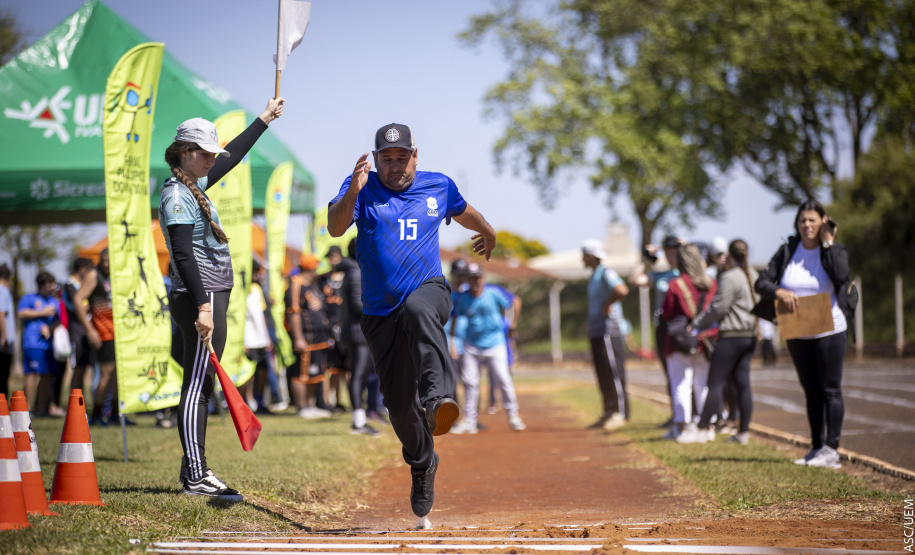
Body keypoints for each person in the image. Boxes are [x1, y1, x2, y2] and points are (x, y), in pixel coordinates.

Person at [326, 122, 497, 521]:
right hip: (379, 311)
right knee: (399, 408)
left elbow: (465, 211)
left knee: (420, 310)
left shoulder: (438, 186)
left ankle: (438, 398)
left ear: (415, 156)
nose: (395, 166)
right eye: (387, 159)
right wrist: (353, 188)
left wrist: (488, 231)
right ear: (376, 160)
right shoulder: (361, 188)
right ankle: (422, 462)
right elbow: (335, 228)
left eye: (402, 158)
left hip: (429, 289)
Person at [160, 97, 284, 501]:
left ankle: (192, 469)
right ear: (183, 153)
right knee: (197, 384)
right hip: (202, 296)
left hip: (210, 295)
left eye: (213, 152)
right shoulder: (179, 195)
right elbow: (182, 255)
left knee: (203, 380)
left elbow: (233, 159)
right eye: (204, 153)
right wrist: (202, 306)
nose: (212, 159)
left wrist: (263, 120)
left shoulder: (193, 184)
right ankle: (196, 476)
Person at [754, 199, 854, 469]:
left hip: (830, 326)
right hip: (798, 329)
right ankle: (816, 447)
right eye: (802, 220)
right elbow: (761, 281)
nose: (807, 225)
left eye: (812, 220)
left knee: (830, 389)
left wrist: (829, 242)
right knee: (811, 390)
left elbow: (842, 275)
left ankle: (832, 449)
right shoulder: (788, 250)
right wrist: (779, 291)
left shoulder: (833, 250)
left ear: (823, 221)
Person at [677, 239, 759, 445]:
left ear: (729, 256)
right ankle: (743, 433)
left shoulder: (729, 277)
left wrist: (696, 323)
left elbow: (718, 308)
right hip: (749, 335)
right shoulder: (753, 275)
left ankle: (702, 428)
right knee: (743, 385)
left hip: (731, 336)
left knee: (715, 383)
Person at [449, 263, 525, 434]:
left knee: (504, 379)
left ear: (482, 278)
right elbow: (455, 318)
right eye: (471, 278)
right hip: (472, 344)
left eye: (477, 278)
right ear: (468, 280)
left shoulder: (493, 292)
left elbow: (515, 301)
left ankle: (513, 416)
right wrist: (453, 342)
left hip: (495, 343)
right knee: (470, 383)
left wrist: (513, 324)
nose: (475, 281)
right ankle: (470, 421)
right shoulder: (462, 298)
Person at [658, 243, 717, 440]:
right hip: (706, 339)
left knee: (681, 383)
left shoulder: (676, 284)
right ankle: (706, 426)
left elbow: (666, 312)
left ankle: (681, 426)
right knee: (704, 384)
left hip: (680, 341)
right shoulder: (711, 283)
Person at [629, 235, 682, 422]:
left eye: (674, 252)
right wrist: (644, 258)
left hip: (682, 327)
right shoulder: (663, 275)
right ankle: (677, 413)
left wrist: (687, 246)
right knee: (669, 371)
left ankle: (691, 414)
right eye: (668, 253)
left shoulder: (687, 274)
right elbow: (635, 279)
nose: (671, 256)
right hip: (663, 327)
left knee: (686, 371)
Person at [582, 239, 630, 430]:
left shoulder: (606, 273)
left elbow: (622, 289)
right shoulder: (594, 275)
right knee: (602, 373)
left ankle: (620, 413)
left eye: (584, 256)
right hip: (596, 330)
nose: (582, 259)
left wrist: (608, 304)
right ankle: (609, 411)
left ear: (591, 256)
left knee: (613, 372)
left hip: (609, 330)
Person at [72, 249, 123, 425]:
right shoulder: (94, 274)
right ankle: (97, 415)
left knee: (119, 374)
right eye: (104, 261)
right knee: (106, 374)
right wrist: (90, 329)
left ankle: (115, 415)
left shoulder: (117, 273)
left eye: (109, 261)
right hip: (104, 332)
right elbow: (78, 299)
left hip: (120, 332)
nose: (107, 264)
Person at [338, 238, 381, 437]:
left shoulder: (354, 270)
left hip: (358, 332)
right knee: (358, 375)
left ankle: (360, 418)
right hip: (357, 333)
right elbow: (358, 305)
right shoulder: (355, 271)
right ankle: (358, 421)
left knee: (360, 376)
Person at [285, 253, 334, 419]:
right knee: (301, 374)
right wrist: (298, 338)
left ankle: (311, 405)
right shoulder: (296, 285)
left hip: (318, 340)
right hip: (306, 338)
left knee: (315, 374)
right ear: (310, 269)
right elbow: (293, 313)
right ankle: (302, 407)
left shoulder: (311, 285)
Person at [17, 271, 60, 415]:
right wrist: (42, 312)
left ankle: (41, 409)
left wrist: (50, 328)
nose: (53, 287)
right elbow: (21, 313)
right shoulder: (29, 298)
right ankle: (26, 409)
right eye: (50, 284)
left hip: (48, 345)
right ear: (42, 285)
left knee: (46, 375)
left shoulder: (54, 302)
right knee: (32, 374)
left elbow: (58, 320)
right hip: (32, 343)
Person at [321, 245, 349, 413]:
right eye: (330, 257)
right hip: (329, 328)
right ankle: (329, 400)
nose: (333, 260)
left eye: (335, 257)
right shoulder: (323, 279)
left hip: (345, 326)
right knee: (330, 367)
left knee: (347, 366)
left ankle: (350, 401)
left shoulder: (348, 277)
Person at [63, 257, 97, 394]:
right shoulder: (70, 284)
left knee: (86, 367)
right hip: (77, 331)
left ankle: (81, 399)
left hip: (86, 331)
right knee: (78, 368)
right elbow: (80, 306)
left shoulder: (82, 284)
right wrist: (92, 305)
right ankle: (75, 399)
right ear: (82, 269)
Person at [243, 259, 273, 414]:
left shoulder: (257, 289)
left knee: (263, 371)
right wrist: (244, 341)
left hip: (261, 340)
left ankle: (259, 400)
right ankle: (249, 402)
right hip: (249, 339)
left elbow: (262, 315)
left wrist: (267, 338)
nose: (259, 275)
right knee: (249, 374)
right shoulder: (243, 290)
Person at [0, 264, 14, 398]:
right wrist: (4, 337)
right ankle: (2, 406)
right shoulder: (2, 290)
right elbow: (1, 314)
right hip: (3, 342)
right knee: (3, 375)